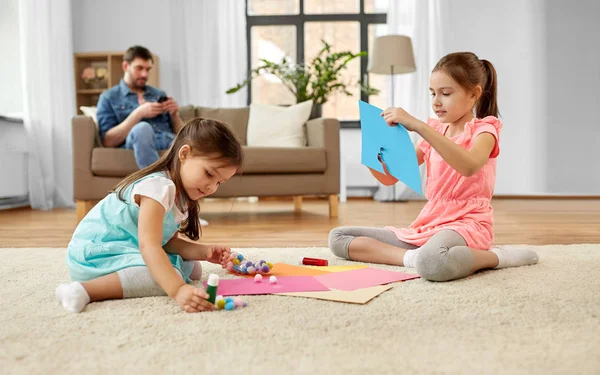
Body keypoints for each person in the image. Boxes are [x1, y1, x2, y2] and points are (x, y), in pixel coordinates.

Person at [329, 52, 538, 282]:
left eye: (446, 93)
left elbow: (469, 166)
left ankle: (498, 257)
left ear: (474, 94)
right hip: (429, 222)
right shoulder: (435, 133)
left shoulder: (485, 131)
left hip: (467, 223)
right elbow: (389, 178)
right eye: (433, 93)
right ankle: (413, 258)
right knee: (339, 237)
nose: (436, 101)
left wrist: (419, 126)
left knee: (434, 262)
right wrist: (371, 151)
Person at [56, 118, 243, 313]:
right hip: (94, 254)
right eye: (209, 174)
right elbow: (149, 245)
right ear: (184, 154)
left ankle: (125, 279)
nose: (212, 187)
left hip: (125, 246)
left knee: (192, 268)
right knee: (165, 277)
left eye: (219, 183)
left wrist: (205, 251)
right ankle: (82, 291)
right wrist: (178, 290)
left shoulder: (181, 196)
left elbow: (167, 243)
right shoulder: (159, 188)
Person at [96, 45, 184, 169]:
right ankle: (156, 180)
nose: (144, 74)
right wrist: (138, 113)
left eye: (148, 69)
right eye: (139, 68)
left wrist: (175, 115)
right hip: (138, 141)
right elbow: (107, 141)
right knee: (142, 128)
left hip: (167, 141)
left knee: (196, 136)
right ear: (126, 66)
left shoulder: (158, 94)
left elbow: (182, 134)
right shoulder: (109, 97)